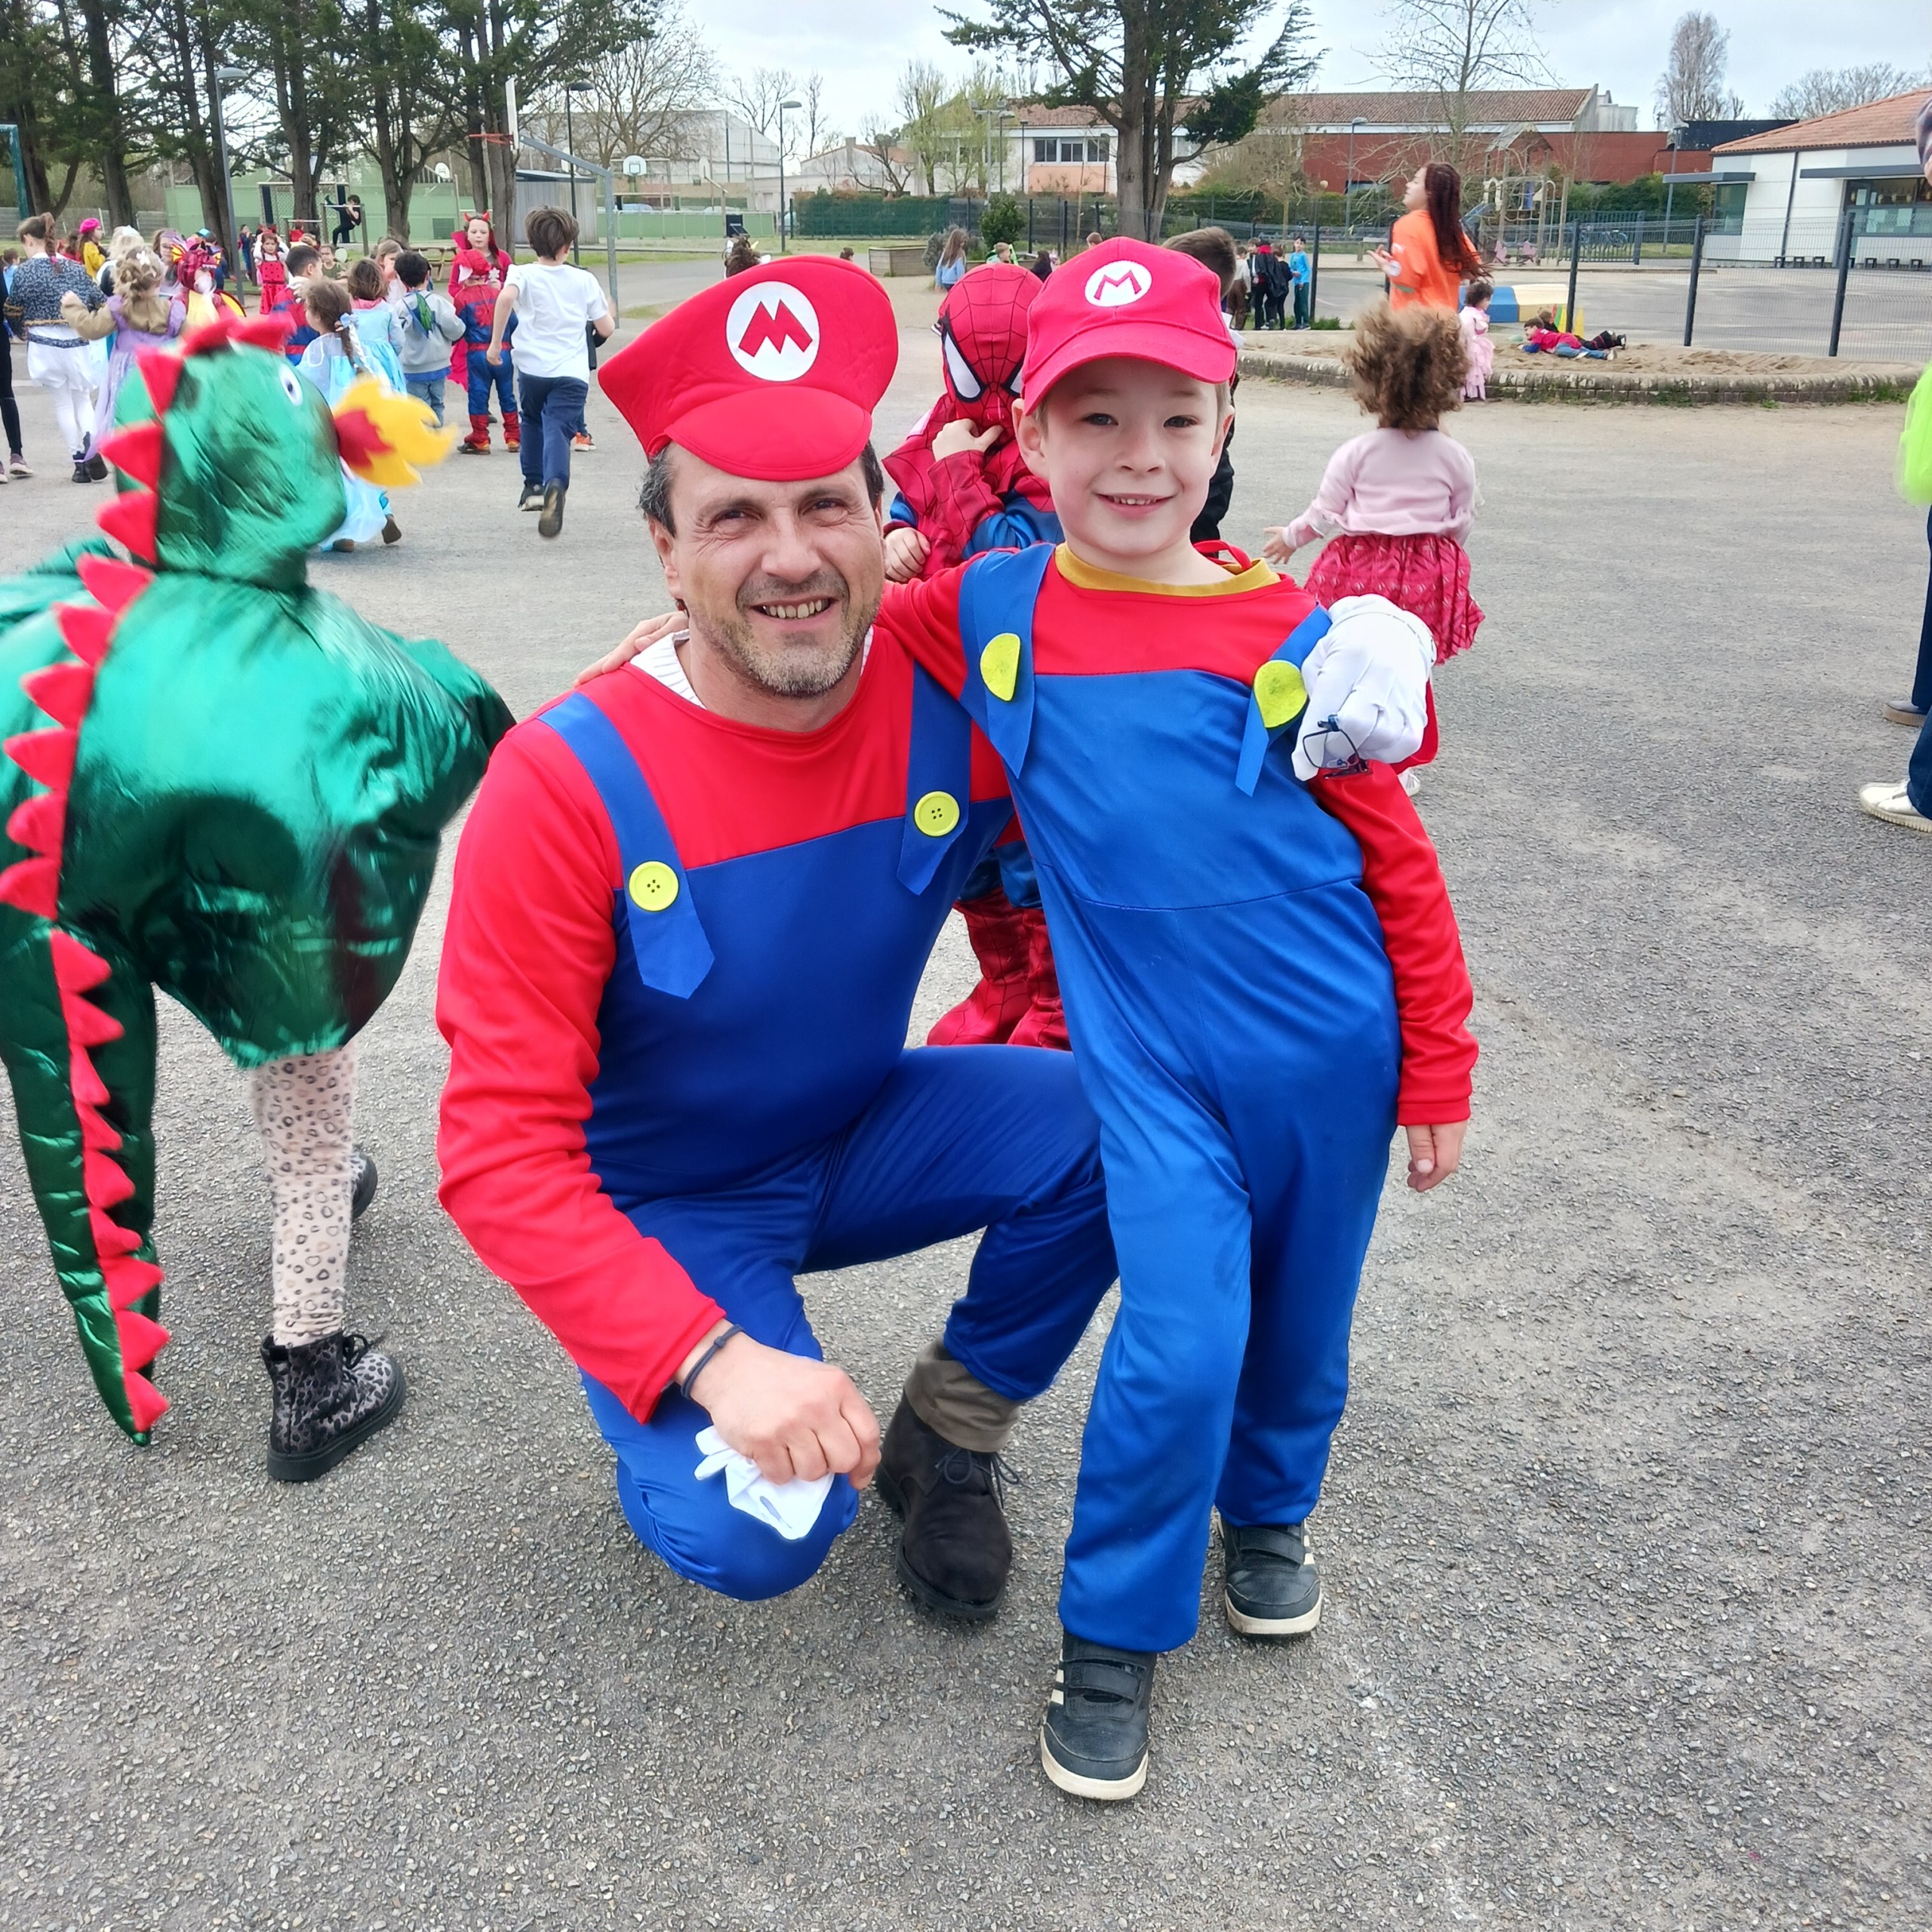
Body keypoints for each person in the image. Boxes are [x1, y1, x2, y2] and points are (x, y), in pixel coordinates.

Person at [448, 254, 1434, 1651]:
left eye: (825, 506)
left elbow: (1168, 691)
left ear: (883, 521)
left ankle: (948, 1428)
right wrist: (707, 1358)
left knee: (1126, 1127)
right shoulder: (563, 782)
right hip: (665, 1204)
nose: (792, 557)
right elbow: (497, 1154)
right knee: (767, 1526)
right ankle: (677, 1392)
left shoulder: (953, 697)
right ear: (664, 550)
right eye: (733, 517)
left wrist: (1362, 637)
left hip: (863, 1130)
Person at [852, 238, 1475, 1801]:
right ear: (1031, 431)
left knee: (1301, 1325)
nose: (1138, 457)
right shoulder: (991, 604)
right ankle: (1114, 1630)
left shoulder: (1297, 636)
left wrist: (1438, 1062)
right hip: (1150, 1075)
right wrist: (663, 653)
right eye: (1095, 419)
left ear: (1221, 430)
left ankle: (1266, 1511)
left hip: (1330, 1064)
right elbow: (835, 619)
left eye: (1175, 420)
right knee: (1181, 1345)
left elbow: (1396, 863)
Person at [0, 310, 509, 1471]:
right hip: (240, 922)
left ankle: (316, 1183)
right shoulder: (304, 647)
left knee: (170, 1086)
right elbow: (438, 722)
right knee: (308, 1126)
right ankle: (312, 1377)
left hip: (96, 894)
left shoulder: (98, 597)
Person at [881, 260, 1065, 1051]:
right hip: (940, 675)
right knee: (971, 847)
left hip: (1021, 686)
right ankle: (1007, 982)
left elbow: (1015, 563)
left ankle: (1055, 1005)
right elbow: (907, 498)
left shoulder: (1051, 440)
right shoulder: (941, 422)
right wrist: (895, 533)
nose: (988, 395)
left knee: (1028, 848)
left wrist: (959, 465)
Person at [1263, 299, 1481, 704]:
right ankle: (1404, 721)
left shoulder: (1357, 452)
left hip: (1361, 567)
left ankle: (1346, 714)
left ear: (1372, 383)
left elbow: (1325, 512)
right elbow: (1461, 519)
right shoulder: (1455, 457)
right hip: (1426, 569)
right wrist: (1437, 554)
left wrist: (1291, 538)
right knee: (1411, 656)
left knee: (1350, 650)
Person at [486, 204, 612, 540]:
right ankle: (557, 483)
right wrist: (606, 314)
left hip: (532, 368)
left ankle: (533, 486)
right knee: (558, 426)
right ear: (568, 245)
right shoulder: (584, 279)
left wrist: (496, 345)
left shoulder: (522, 273)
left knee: (531, 420)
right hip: (571, 372)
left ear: (531, 242)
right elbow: (606, 328)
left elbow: (505, 299)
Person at [297, 276, 403, 552]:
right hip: (359, 422)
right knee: (361, 474)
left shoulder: (319, 350)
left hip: (330, 424)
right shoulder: (358, 347)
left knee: (332, 477)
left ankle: (341, 534)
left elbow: (306, 383)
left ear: (317, 315)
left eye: (308, 308)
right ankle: (381, 511)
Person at [60, 243, 184, 465]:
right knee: (160, 416)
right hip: (162, 372)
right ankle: (160, 458)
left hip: (127, 373)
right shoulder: (172, 309)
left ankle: (129, 457)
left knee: (127, 418)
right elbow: (192, 336)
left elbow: (92, 328)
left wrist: (73, 307)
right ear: (159, 280)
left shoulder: (119, 307)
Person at [3, 214, 105, 482]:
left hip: (44, 344)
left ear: (28, 239)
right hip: (77, 341)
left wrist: (20, 330)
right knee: (83, 399)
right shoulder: (75, 268)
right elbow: (99, 300)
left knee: (62, 403)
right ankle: (91, 442)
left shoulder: (25, 272)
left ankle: (79, 463)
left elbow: (12, 308)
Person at [1164, 226, 1242, 544]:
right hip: (1207, 477)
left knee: (1196, 551)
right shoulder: (1221, 340)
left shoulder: (1210, 347)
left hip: (1201, 481)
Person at [449, 211, 517, 454]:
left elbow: (457, 327)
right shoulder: (499, 296)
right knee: (507, 393)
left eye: (483, 231)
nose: (478, 235)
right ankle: (514, 436)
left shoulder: (463, 298)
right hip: (504, 350)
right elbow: (514, 321)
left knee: (478, 394)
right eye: (474, 231)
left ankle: (480, 438)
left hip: (477, 351)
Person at [1376, 162, 1482, 312]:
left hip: (1415, 320)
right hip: (1446, 319)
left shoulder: (1407, 226)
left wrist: (1388, 268)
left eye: (1415, 182)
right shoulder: (1450, 229)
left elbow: (1406, 283)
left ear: (1430, 192)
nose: (1408, 185)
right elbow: (1472, 271)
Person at [392, 249, 463, 425]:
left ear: (400, 278)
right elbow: (456, 328)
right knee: (437, 404)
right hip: (438, 365)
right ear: (427, 275)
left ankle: (424, 438)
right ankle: (436, 434)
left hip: (412, 370)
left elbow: (396, 336)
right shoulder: (438, 303)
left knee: (419, 409)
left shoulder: (399, 307)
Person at [1458, 279, 1494, 399]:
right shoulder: (1477, 315)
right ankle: (1473, 393)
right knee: (1475, 370)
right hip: (1473, 345)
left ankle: (1466, 392)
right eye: (1487, 300)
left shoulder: (1465, 312)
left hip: (1463, 343)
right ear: (1479, 299)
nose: (1489, 303)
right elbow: (1481, 329)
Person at [1287, 233, 1311, 328]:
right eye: (1297, 243)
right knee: (1297, 303)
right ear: (1294, 244)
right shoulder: (1293, 256)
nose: (1299, 245)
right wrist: (1293, 272)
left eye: (1301, 244)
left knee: (1303, 303)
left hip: (1303, 283)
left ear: (1304, 245)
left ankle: (1306, 322)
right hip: (1296, 282)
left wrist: (1303, 281)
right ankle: (1298, 322)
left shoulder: (1303, 256)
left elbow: (1308, 270)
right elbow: (1290, 267)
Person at [934, 226, 969, 291]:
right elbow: (960, 270)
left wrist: (938, 283)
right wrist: (961, 283)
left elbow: (939, 267)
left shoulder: (946, 252)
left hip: (945, 280)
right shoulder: (960, 253)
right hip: (954, 281)